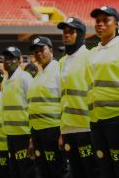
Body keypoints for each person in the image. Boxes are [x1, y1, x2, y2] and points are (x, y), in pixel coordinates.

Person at [86, 6, 119, 178]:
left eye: (105, 20)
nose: (100, 24)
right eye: (97, 21)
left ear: (117, 23)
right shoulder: (93, 53)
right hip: (97, 121)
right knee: (105, 169)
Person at [56, 17, 99, 178]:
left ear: (80, 34)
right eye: (64, 32)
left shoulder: (89, 57)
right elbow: (63, 99)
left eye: (71, 32)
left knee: (92, 170)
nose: (66, 35)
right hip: (68, 129)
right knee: (75, 172)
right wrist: (62, 130)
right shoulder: (61, 62)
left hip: (86, 128)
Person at [27, 36, 69, 178]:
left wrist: (63, 134)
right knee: (44, 171)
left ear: (50, 50)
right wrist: (32, 139)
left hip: (54, 132)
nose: (38, 54)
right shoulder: (38, 75)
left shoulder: (58, 70)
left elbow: (65, 103)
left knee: (58, 171)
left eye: (42, 49)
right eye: (36, 51)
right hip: (38, 133)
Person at [1, 46, 36, 178]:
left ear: (19, 61)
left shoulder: (25, 78)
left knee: (27, 171)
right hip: (10, 135)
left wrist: (32, 136)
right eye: (6, 58)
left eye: (11, 58)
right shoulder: (5, 81)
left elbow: (32, 106)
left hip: (24, 135)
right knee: (15, 171)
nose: (7, 61)